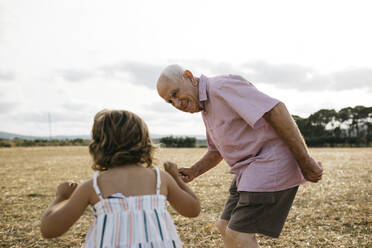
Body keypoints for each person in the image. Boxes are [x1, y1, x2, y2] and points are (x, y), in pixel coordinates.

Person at [156, 64, 323, 248]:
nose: (177, 104)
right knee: (224, 226)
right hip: (247, 172)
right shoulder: (206, 108)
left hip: (268, 163)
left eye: (175, 93)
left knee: (238, 235)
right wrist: (194, 171)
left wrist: (305, 161)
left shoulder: (222, 87)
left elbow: (275, 109)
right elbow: (216, 151)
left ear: (188, 76)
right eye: (170, 102)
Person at [40, 109, 200, 247]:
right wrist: (176, 178)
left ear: (98, 145)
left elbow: (49, 230)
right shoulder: (160, 179)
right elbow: (193, 209)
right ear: (145, 142)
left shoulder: (93, 187)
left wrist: (61, 197)